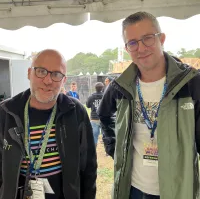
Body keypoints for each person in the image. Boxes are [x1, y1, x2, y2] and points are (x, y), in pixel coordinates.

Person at [97, 11, 200, 199]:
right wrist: (113, 148)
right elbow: (103, 116)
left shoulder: (191, 83)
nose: (141, 48)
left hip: (176, 190)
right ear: (127, 48)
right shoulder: (120, 86)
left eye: (148, 39)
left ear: (162, 39)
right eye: (133, 42)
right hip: (132, 189)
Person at [0, 49, 97, 199]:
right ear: (29, 73)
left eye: (56, 74)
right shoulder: (6, 113)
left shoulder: (75, 111)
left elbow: (88, 166)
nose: (48, 80)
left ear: (64, 80)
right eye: (41, 71)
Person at [86, 82, 104, 146]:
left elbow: (87, 105)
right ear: (102, 88)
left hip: (94, 118)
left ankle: (94, 152)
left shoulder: (91, 96)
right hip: (103, 118)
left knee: (94, 137)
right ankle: (108, 152)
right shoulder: (105, 95)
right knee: (106, 136)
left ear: (95, 88)